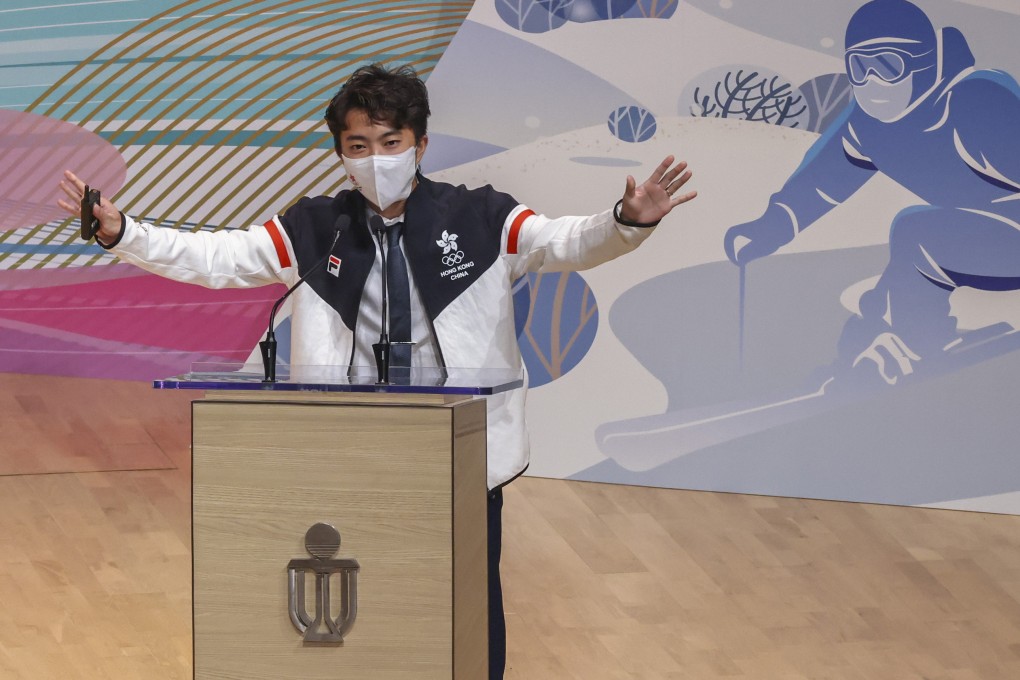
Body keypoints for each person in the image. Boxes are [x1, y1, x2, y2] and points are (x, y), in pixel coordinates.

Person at [58, 62, 697, 678]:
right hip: (351, 449)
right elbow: (215, 256)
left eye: (390, 142)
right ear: (340, 151)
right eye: (358, 145)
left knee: (468, 600)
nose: (375, 158)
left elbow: (567, 240)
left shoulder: (481, 217)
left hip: (459, 449)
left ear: (420, 143)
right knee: (368, 599)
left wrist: (627, 223)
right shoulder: (315, 227)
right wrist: (123, 232)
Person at [723, 0, 1020, 389]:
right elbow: (820, 180)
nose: (873, 82)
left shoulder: (973, 99)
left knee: (916, 235)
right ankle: (856, 368)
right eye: (859, 68)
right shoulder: (868, 126)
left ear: (924, 62)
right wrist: (771, 226)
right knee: (882, 306)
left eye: (888, 64)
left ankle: (913, 350)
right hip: (969, 239)